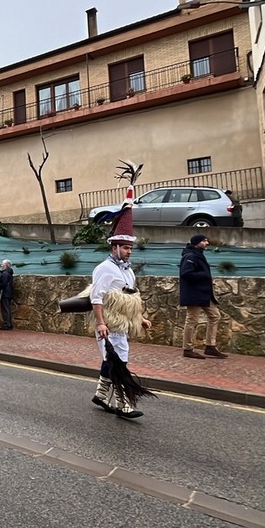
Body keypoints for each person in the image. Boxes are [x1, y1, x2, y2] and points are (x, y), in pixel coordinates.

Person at [89, 161, 154, 420]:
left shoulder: (127, 270)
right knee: (118, 363)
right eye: (125, 248)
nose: (129, 251)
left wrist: (141, 318)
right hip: (109, 326)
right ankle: (124, 404)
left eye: (130, 248)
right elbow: (97, 297)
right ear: (114, 246)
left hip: (123, 325)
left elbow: (130, 299)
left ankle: (102, 395)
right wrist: (101, 323)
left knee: (112, 361)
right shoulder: (104, 269)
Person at [179, 234, 227, 359]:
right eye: (204, 241)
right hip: (194, 294)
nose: (207, 243)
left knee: (215, 316)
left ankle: (210, 346)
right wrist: (204, 275)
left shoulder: (198, 254)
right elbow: (185, 273)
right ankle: (187, 349)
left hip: (204, 294)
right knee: (192, 320)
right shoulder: (190, 256)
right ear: (197, 243)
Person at [0, 259, 15, 330]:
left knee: (5, 309)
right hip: (8, 293)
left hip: (5, 293)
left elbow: (3, 284)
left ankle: (7, 324)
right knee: (7, 308)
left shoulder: (5, 274)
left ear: (6, 265)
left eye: (2, 264)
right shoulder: (8, 273)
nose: (1, 265)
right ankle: (8, 323)